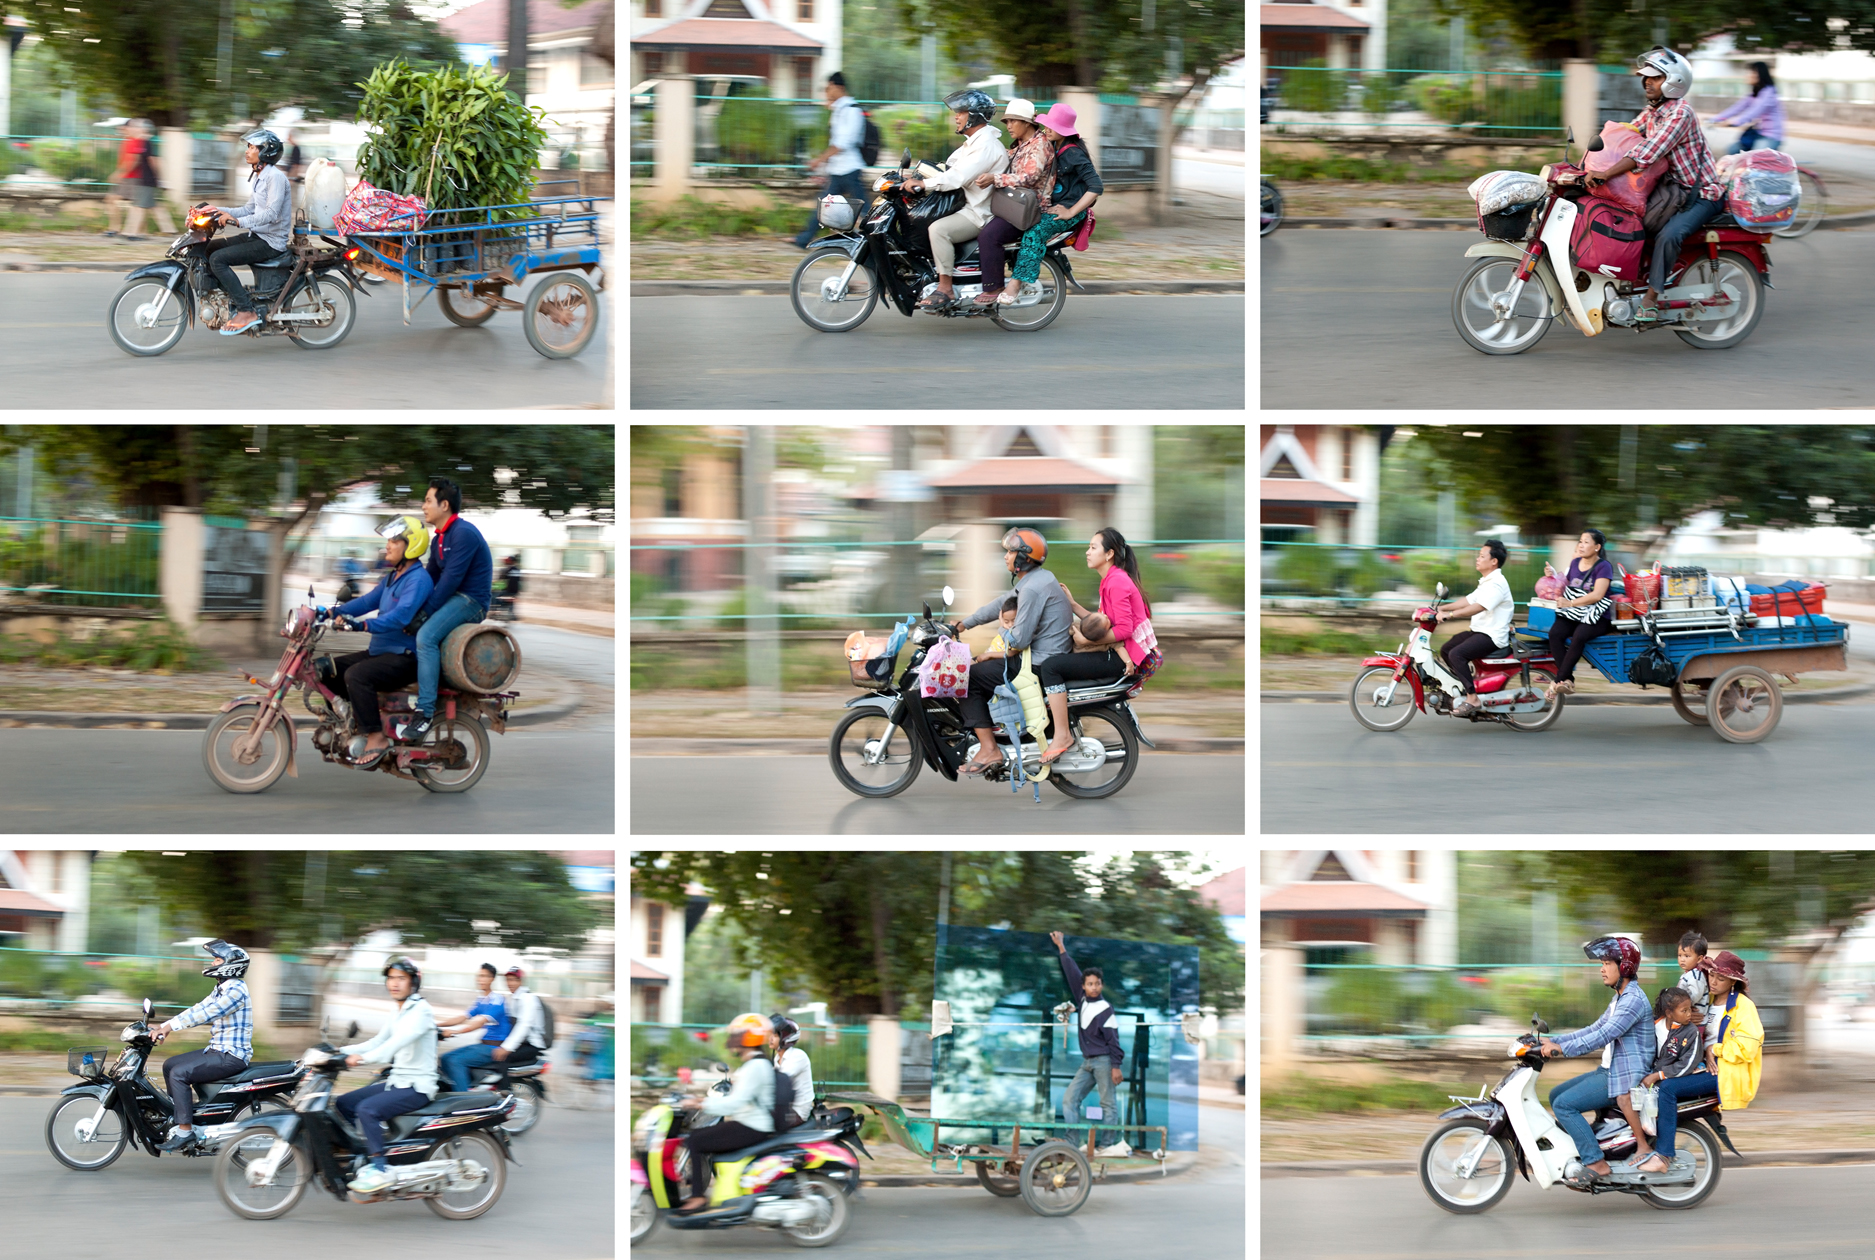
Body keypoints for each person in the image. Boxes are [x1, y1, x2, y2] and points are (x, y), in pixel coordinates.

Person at [1585, 47, 1724, 324]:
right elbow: (1627, 134)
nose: (1646, 81)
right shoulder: (1654, 110)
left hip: (1702, 195)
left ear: (1674, 81)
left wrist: (1607, 174)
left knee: (1669, 235)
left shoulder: (1680, 113)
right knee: (1628, 219)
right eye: (1645, 77)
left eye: (1655, 77)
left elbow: (1647, 152)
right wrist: (1590, 161)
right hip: (1674, 191)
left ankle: (1651, 297)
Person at [952, 529, 1072, 776]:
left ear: (1024, 557)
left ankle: (989, 749)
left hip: (1036, 663)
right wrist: (963, 624)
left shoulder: (1032, 589)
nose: (1006, 557)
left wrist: (1002, 627)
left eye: (1010, 552)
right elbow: (1000, 604)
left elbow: (1019, 640)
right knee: (979, 666)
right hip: (1038, 656)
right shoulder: (1037, 580)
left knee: (967, 678)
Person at [1631, 951, 1760, 1176]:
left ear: (1733, 982)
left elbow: (1748, 1047)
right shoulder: (1708, 1001)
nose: (1714, 981)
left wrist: (1714, 1049)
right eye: (1712, 975)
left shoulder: (1743, 1006)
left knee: (1668, 1088)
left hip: (1724, 1071)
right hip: (1702, 1065)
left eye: (1721, 978)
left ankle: (1664, 1155)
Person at [1537, 936, 1655, 1183]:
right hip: (1610, 1069)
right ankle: (1585, 1144)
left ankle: (1596, 1162)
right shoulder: (1619, 998)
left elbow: (1603, 1035)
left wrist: (1562, 1049)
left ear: (1624, 967)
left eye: (1607, 963)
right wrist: (1551, 1041)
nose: (1601, 969)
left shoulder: (1632, 999)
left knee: (1564, 1105)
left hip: (1624, 1074)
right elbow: (1592, 1028)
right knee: (1555, 1095)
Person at [324, 514, 435, 768]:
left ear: (412, 545)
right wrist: (330, 612)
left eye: (394, 541)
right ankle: (354, 722)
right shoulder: (392, 577)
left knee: (357, 675)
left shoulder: (418, 580)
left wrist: (362, 624)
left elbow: (400, 617)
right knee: (326, 669)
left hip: (403, 657)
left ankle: (376, 735)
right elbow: (366, 602)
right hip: (380, 653)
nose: (387, 545)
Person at [1039, 529, 1154, 764]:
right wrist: (1072, 604)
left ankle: (1062, 735)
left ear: (1109, 553)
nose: (1087, 552)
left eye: (1093, 547)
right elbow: (1099, 622)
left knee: (1050, 667)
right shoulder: (1110, 579)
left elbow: (1124, 629)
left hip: (1120, 659)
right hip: (1116, 652)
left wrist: (1087, 641)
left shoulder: (1117, 582)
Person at [395, 477, 493, 744]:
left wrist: (424, 615)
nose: (423, 506)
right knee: (408, 627)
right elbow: (430, 580)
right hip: (453, 598)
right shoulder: (440, 538)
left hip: (471, 600)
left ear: (445, 505)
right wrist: (408, 608)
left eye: (428, 501)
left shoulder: (463, 533)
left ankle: (425, 712)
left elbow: (449, 582)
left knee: (426, 636)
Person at [336, 957, 439, 1194]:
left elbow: (392, 1046)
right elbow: (378, 1040)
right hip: (397, 1081)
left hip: (418, 1086)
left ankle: (380, 1168)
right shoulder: (399, 1010)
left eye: (401, 978)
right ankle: (367, 1150)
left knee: (367, 1110)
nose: (394, 983)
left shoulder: (421, 1010)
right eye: (391, 978)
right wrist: (337, 1052)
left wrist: (361, 1059)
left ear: (413, 982)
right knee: (344, 1103)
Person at [905, 89, 1010, 311]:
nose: (956, 116)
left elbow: (957, 177)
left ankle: (945, 287)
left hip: (977, 212)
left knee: (938, 229)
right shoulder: (973, 142)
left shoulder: (986, 146)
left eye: (960, 112)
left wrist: (924, 185)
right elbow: (948, 166)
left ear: (973, 115)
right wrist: (914, 176)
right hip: (965, 204)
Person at [151, 939, 253, 1151]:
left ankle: (185, 1131)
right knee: (170, 1065)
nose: (213, 963)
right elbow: (198, 1008)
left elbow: (208, 1013)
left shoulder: (236, 990)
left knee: (179, 1073)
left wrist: (171, 1027)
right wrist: (164, 1026)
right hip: (217, 1049)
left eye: (217, 959)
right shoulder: (222, 988)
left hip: (231, 1055)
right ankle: (178, 1116)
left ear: (230, 964)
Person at [675, 1014, 778, 1213]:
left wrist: (702, 1104)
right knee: (703, 1138)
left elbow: (735, 1103)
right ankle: (722, 1191)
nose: (732, 1041)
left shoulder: (756, 1066)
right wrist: (701, 1101)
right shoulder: (754, 1064)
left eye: (737, 1035)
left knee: (695, 1140)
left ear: (749, 1038)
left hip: (753, 1126)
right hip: (749, 1122)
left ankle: (697, 1198)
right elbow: (736, 1097)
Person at [1002, 104, 1101, 306]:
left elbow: (1096, 186)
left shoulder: (1073, 153)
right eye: (1046, 125)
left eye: (1052, 126)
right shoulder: (1052, 145)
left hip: (1069, 211)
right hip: (1051, 205)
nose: (1046, 129)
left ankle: (1016, 283)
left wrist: (1071, 211)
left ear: (1063, 130)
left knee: (1034, 233)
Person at [201, 128, 293, 335]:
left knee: (218, 259)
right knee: (208, 248)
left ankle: (246, 310)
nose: (247, 151)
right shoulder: (260, 176)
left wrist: (237, 221)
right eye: (248, 147)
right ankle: (225, 298)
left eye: (252, 147)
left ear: (265, 152)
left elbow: (271, 214)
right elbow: (249, 209)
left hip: (270, 242)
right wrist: (219, 210)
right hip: (257, 235)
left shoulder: (275, 178)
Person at [1050, 931, 1130, 1157]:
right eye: (1090, 984)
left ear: (1101, 985)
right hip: (1088, 1062)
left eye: (1097, 984)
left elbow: (1114, 1039)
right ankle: (1072, 1142)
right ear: (1083, 986)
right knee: (1070, 1099)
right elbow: (1071, 971)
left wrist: (1116, 1066)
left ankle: (1105, 1145)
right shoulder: (1082, 999)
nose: (1093, 987)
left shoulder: (1105, 1009)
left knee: (1108, 1104)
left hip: (1104, 1061)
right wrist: (1061, 946)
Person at [969, 99, 1052, 308]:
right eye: (1007, 122)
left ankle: (993, 287)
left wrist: (994, 179)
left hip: (1030, 210)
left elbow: (1029, 177)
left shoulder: (1039, 145)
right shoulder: (1021, 145)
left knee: (989, 236)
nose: (1008, 126)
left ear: (1027, 123)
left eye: (1013, 121)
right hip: (1015, 204)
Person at [1433, 539, 1514, 718]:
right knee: (1446, 649)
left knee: (1457, 654)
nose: (1478, 559)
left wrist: (1451, 615)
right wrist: (1443, 608)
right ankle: (1462, 686)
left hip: (1492, 636)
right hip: (1480, 631)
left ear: (1494, 561)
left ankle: (1472, 698)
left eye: (1482, 556)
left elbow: (1478, 606)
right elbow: (1469, 600)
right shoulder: (1487, 581)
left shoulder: (1497, 583)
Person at [795, 73, 869, 250]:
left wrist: (819, 160)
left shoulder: (852, 110)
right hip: (838, 170)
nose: (826, 92)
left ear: (839, 87)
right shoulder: (839, 109)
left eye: (829, 88)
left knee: (864, 210)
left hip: (850, 168)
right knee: (824, 204)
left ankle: (875, 238)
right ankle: (803, 239)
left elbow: (843, 143)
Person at [1544, 529, 1615, 700]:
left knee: (1579, 636)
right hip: (1576, 613)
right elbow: (1565, 586)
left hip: (1597, 616)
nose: (1581, 545)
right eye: (1580, 541)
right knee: (1555, 633)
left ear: (1597, 547)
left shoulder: (1604, 567)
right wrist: (1553, 576)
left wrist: (1570, 603)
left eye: (1586, 542)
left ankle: (1558, 681)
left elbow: (1598, 595)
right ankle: (1568, 680)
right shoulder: (1575, 563)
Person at [437, 962, 513, 1093]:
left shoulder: (497, 1000)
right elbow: (463, 1017)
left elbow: (478, 1022)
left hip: (494, 1048)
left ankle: (463, 1099)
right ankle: (459, 1087)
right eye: (479, 976)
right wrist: (437, 1025)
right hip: (483, 1044)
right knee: (444, 1058)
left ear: (492, 979)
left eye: (484, 976)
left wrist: (455, 1032)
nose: (480, 979)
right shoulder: (482, 1000)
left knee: (455, 1061)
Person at [1710, 62, 1785, 154]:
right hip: (1756, 133)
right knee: (1733, 151)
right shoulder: (1754, 94)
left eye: (1752, 72)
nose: (1747, 75)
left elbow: (1755, 111)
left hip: (1770, 136)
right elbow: (1737, 108)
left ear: (1760, 75)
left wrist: (1736, 121)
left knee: (1756, 157)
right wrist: (1716, 118)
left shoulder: (1769, 93)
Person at [121, 120, 177, 240]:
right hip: (146, 179)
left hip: (147, 179)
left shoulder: (146, 143)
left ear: (143, 130)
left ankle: (132, 233)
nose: (134, 129)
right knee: (154, 207)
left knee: (138, 207)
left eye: (137, 128)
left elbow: (154, 161)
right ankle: (170, 230)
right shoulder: (144, 142)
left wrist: (160, 178)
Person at [495, 965, 550, 1067]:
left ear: (521, 981)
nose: (509, 983)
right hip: (523, 1043)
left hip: (532, 1045)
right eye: (508, 980)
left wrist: (507, 1047)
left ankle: (505, 1084)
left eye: (513, 980)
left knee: (501, 1060)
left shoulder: (528, 999)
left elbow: (523, 1025)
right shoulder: (515, 999)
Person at [768, 1012, 814, 1126]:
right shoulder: (778, 1057)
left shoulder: (798, 1056)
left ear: (785, 1038)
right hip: (784, 1107)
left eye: (775, 1036)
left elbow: (778, 1080)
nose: (770, 1039)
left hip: (796, 1112)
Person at [1678, 931, 1712, 1024]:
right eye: (1680, 955)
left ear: (1699, 959)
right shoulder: (1688, 974)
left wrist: (1677, 1005)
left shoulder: (1696, 975)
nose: (1682, 959)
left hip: (1696, 1022)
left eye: (1687, 956)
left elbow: (1694, 995)